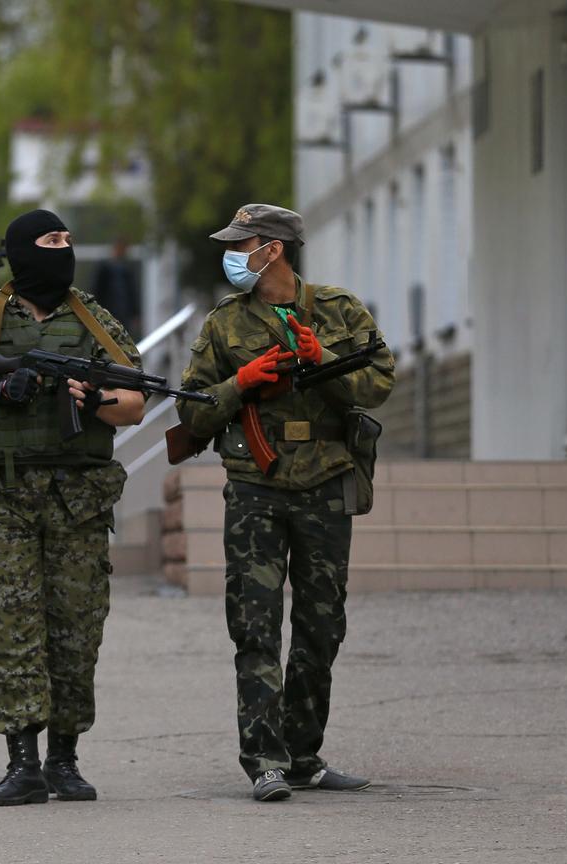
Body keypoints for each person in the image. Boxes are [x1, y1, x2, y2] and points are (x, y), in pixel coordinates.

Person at [0, 209, 144, 806]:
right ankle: (23, 764)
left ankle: (66, 759)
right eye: (50, 240)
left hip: (81, 502)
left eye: (68, 239)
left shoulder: (95, 317)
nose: (63, 249)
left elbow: (136, 401)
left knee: (77, 630)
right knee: (13, 628)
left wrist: (97, 400)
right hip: (5, 498)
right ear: (20, 250)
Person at [176, 204, 395, 801]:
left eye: (241, 244)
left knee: (322, 624)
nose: (232, 254)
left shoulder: (338, 310)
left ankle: (304, 754)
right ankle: (265, 760)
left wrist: (322, 359)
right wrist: (240, 383)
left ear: (271, 249)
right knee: (254, 623)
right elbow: (190, 409)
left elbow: (380, 381)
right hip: (256, 486)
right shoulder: (225, 324)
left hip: (325, 482)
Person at [92, 238, 141, 338]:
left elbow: (132, 293)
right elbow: (96, 290)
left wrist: (135, 313)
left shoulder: (127, 269)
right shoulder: (104, 268)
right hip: (107, 312)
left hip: (123, 315)